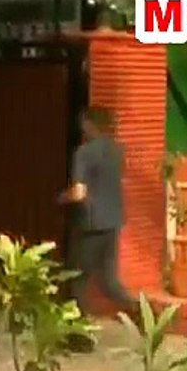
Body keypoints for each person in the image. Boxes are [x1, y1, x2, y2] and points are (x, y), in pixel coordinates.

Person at [59, 106, 135, 317]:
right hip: (113, 221)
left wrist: (61, 198)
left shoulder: (84, 153)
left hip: (90, 224)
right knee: (108, 279)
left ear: (91, 124)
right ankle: (140, 311)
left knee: (78, 280)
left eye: (84, 123)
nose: (81, 128)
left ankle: (79, 335)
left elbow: (79, 193)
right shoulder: (117, 151)